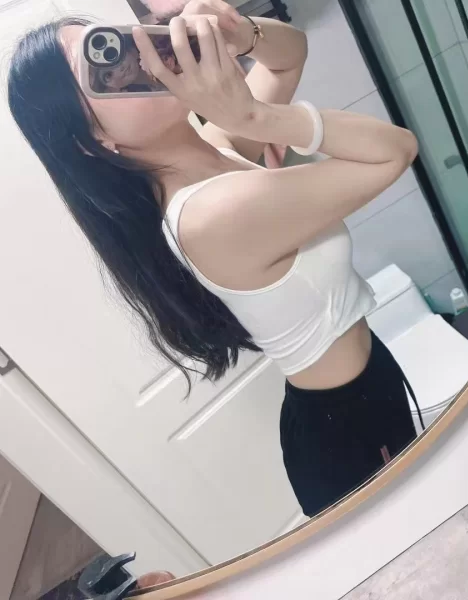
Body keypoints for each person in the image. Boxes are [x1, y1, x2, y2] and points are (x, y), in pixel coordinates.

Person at [7, 0, 420, 517]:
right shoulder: (210, 215)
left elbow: (288, 58)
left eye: (116, 43)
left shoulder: (211, 146)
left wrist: (238, 33)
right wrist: (256, 117)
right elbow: (395, 151)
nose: (134, 62)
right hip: (347, 432)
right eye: (103, 73)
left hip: (363, 388)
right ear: (94, 141)